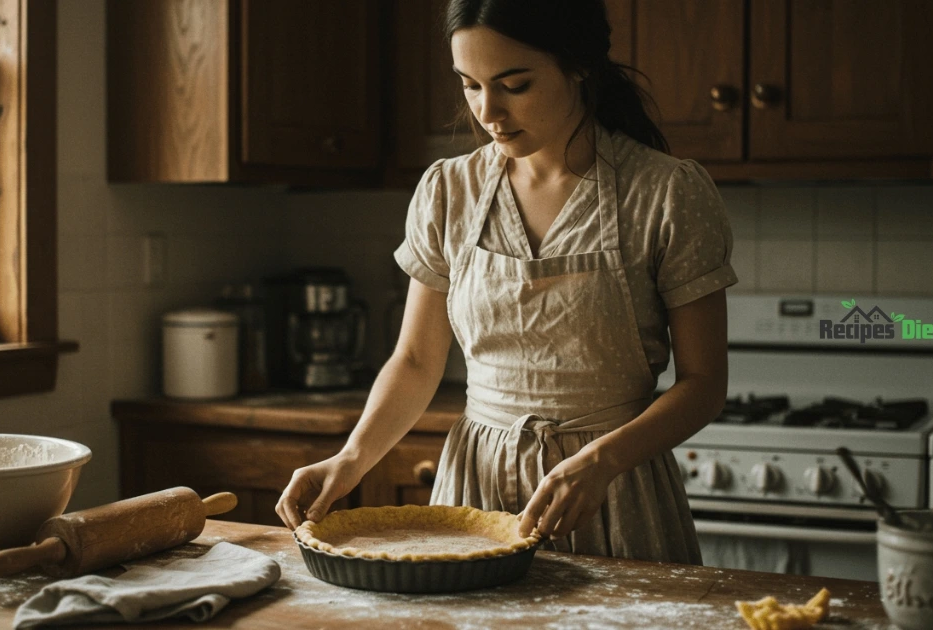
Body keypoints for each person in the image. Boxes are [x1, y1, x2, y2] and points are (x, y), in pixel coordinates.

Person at [276, 0, 736, 563]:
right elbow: (418, 360)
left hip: (615, 488)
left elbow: (704, 382)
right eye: (470, 85)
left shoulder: (667, 192)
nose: (488, 111)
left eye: (514, 85)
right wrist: (349, 459)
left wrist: (601, 462)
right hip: (476, 487)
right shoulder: (449, 191)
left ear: (580, 66)